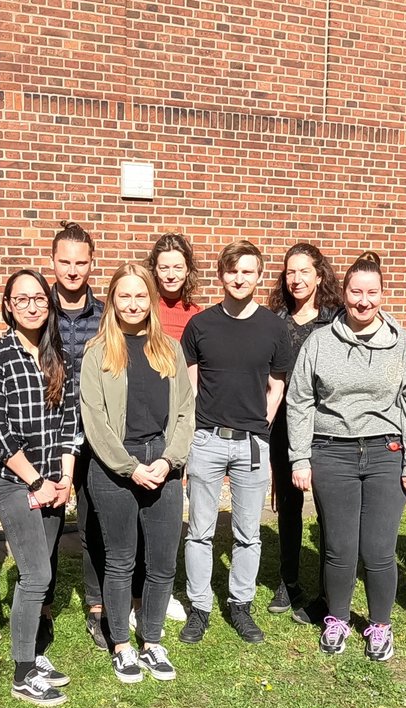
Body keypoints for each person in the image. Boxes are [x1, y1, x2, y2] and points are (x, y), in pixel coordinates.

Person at [286, 251, 406, 660]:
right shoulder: (319, 342)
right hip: (332, 453)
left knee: (378, 549)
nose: (363, 301)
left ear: (383, 294)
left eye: (372, 292)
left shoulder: (402, 343)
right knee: (339, 547)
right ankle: (337, 619)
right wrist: (300, 457)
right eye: (355, 292)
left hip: (387, 452)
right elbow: (299, 401)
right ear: (343, 293)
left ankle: (380, 625)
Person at [80, 263, 195, 682]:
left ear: (151, 300)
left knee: (163, 562)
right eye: (124, 296)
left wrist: (168, 461)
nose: (133, 303)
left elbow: (186, 410)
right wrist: (131, 469)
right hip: (115, 469)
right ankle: (122, 647)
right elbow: (94, 421)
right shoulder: (98, 353)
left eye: (140, 295)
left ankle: (152, 640)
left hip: (163, 463)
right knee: (121, 561)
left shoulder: (169, 349)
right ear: (112, 300)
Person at [179, 239, 292, 645]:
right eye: (232, 271)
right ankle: (199, 607)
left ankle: (240, 605)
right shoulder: (200, 326)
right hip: (207, 440)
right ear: (222, 275)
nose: (239, 278)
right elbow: (189, 386)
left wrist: (260, 425)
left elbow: (276, 386)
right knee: (199, 531)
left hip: (252, 444)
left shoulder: (274, 327)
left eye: (248, 271)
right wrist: (194, 436)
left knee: (248, 532)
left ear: (259, 276)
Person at [0, 269, 82, 706]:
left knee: (44, 573)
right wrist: (37, 482)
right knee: (36, 573)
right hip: (15, 483)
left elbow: (69, 422)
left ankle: (33, 651)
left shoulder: (57, 354)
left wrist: (65, 479)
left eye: (39, 297)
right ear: (8, 306)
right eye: (21, 299)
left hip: (53, 482)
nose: (32, 305)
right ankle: (23, 673)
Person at [266, 243, 339, 624]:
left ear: (319, 275)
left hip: (326, 426)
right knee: (289, 505)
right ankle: (289, 579)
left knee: (328, 506)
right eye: (290, 272)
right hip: (284, 425)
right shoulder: (275, 319)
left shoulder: (335, 319)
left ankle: (331, 587)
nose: (296, 279)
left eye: (304, 271)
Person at [49, 222, 109, 647]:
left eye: (80, 263)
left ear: (92, 265)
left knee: (95, 520)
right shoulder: (36, 307)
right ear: (52, 262)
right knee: (47, 523)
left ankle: (96, 603)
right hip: (47, 433)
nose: (72, 270)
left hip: (96, 432)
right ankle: (42, 604)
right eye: (65, 262)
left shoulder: (106, 316)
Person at [147, 232, 202, 341]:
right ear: (155, 270)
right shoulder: (144, 309)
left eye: (178, 268)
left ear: (188, 270)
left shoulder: (197, 315)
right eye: (164, 268)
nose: (171, 276)